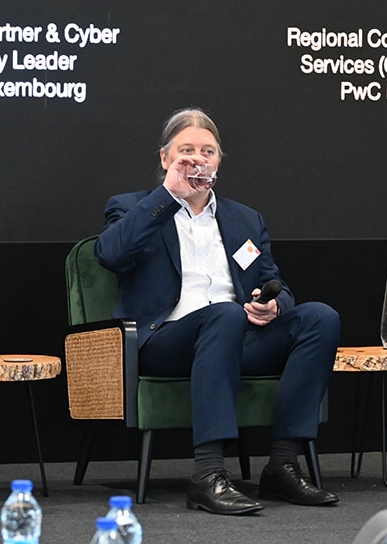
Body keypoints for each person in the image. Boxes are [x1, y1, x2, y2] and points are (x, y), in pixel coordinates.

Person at [95, 108, 342, 515]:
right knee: (225, 314)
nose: (197, 159)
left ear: (218, 162)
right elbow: (110, 254)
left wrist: (272, 304)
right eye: (186, 151)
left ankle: (282, 464)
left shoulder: (244, 218)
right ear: (165, 158)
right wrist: (167, 196)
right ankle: (208, 474)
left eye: (207, 151)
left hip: (236, 336)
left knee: (320, 317)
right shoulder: (132, 206)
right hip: (167, 341)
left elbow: (277, 283)